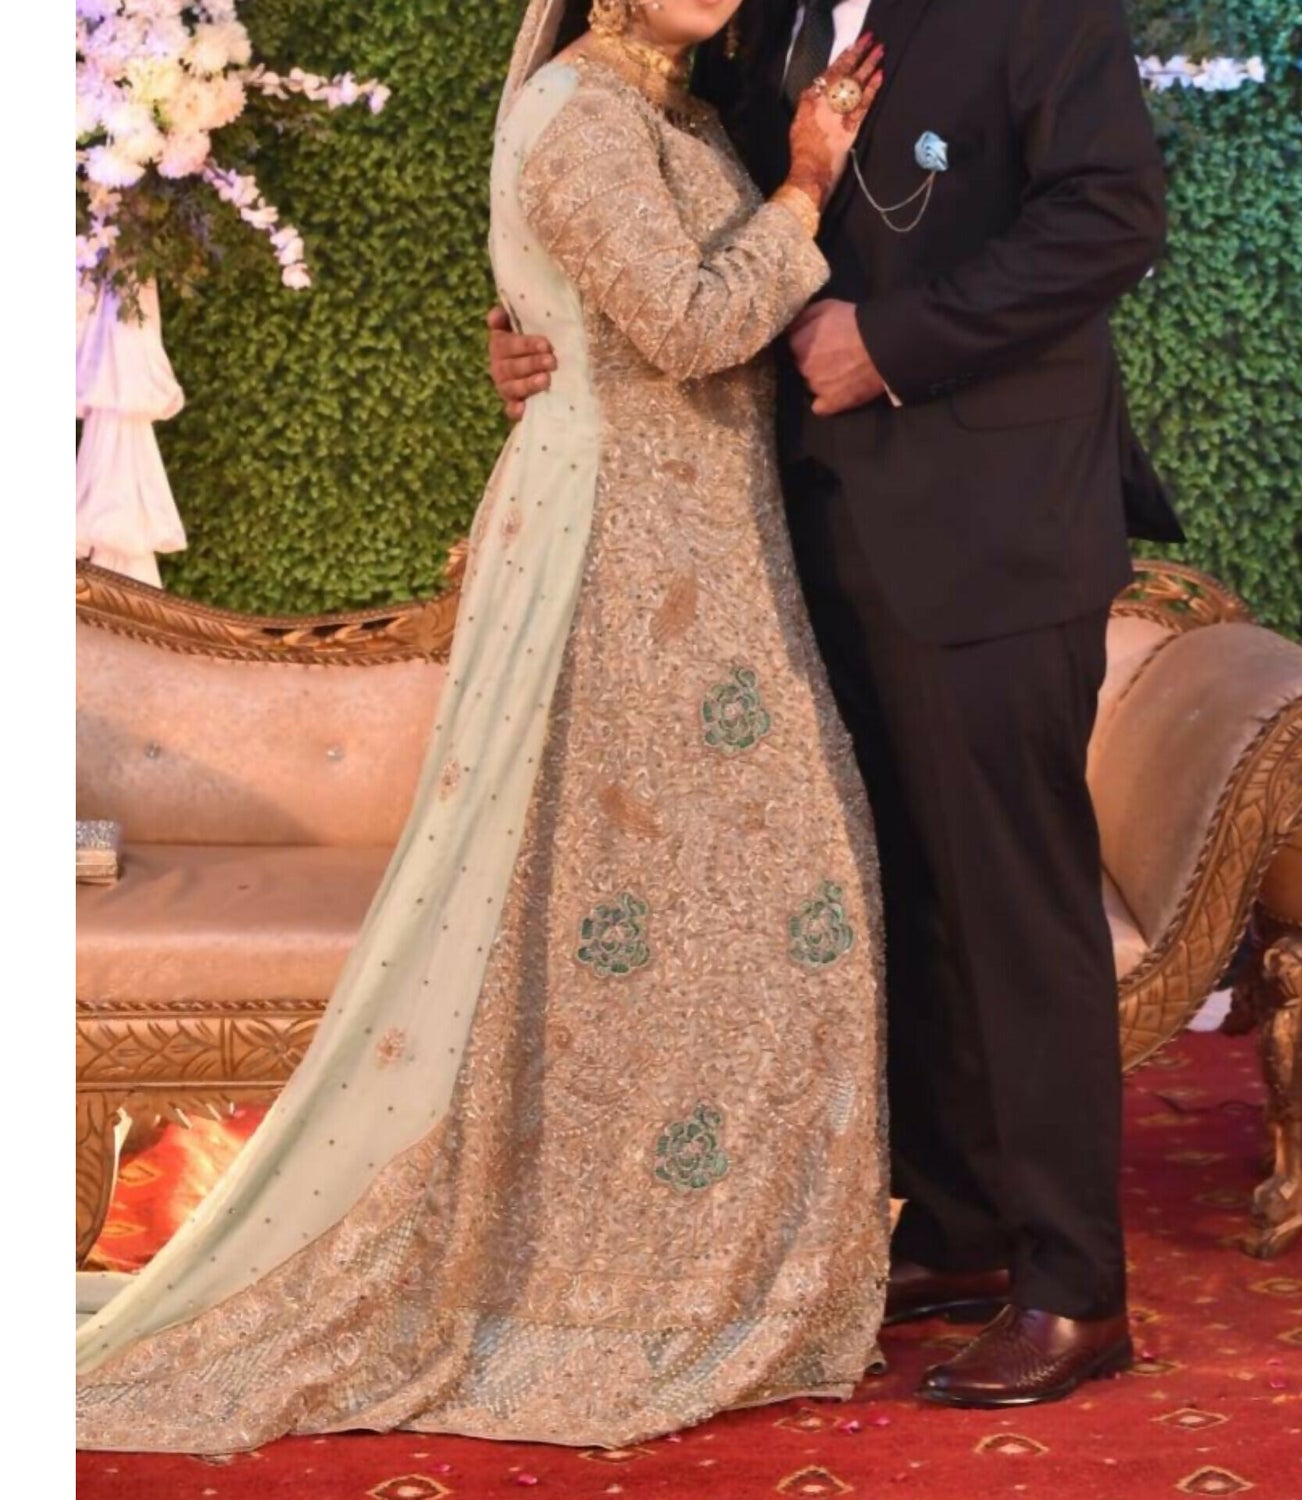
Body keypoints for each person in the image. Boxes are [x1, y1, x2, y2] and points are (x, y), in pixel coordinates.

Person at [76, 0, 891, 1451]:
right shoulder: (581, 114)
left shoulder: (679, 108)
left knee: (720, 925)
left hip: (698, 554)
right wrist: (809, 184)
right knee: (633, 926)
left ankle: (680, 1271)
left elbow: (610, 311)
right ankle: (597, 1293)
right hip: (622, 561)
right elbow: (689, 324)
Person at [490, 0, 1185, 1408]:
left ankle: (1073, 1286)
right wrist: (549, 331)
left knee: (1014, 903)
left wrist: (899, 342)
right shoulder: (760, 22)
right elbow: (694, 244)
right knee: (900, 896)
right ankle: (956, 1225)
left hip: (991, 530)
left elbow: (1110, 217)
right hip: (805, 535)